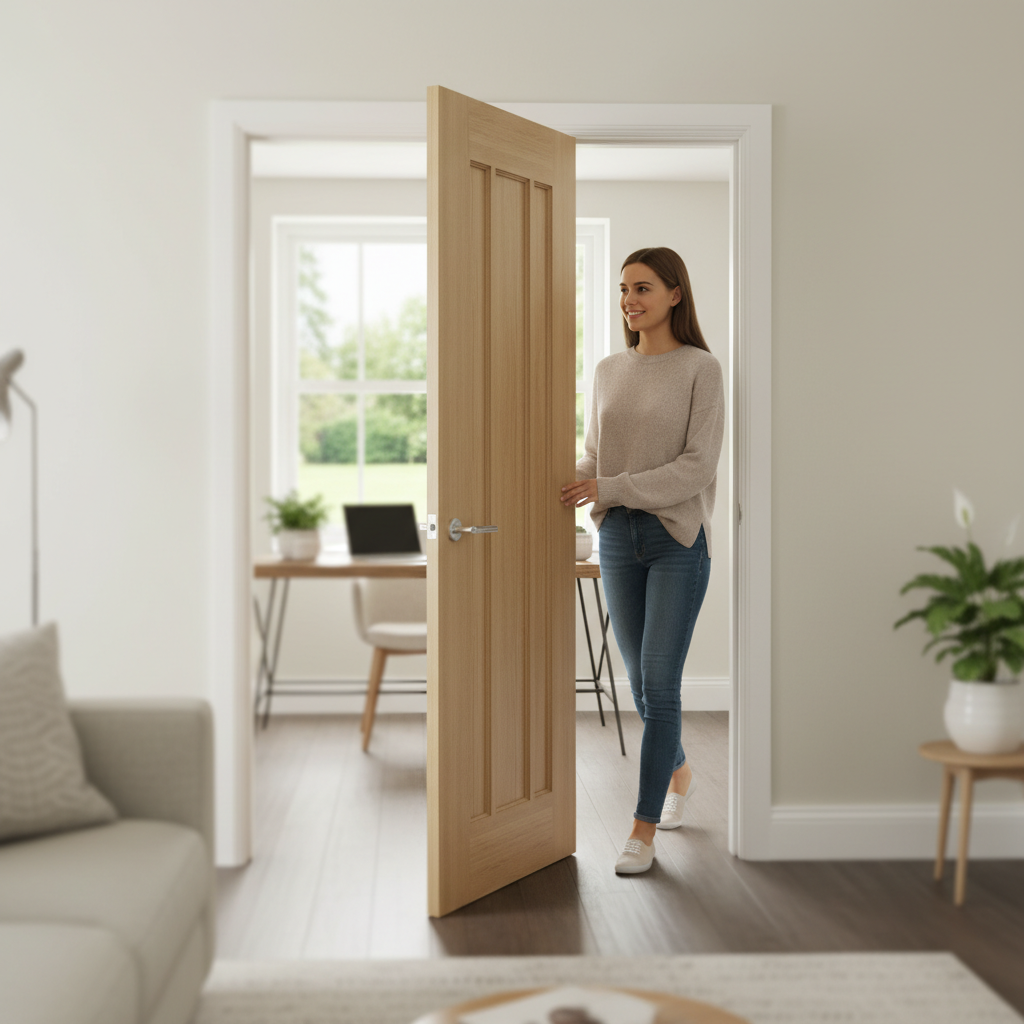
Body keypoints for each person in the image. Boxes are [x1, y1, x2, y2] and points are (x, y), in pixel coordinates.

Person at [560, 246, 724, 875]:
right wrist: (560, 478)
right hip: (616, 541)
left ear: (675, 294)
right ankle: (679, 772)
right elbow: (595, 454)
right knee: (640, 683)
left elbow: (697, 467)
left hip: (676, 540)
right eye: (624, 289)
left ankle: (642, 828)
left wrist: (611, 486)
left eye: (643, 288)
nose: (629, 299)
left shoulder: (700, 369)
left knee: (659, 684)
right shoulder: (608, 370)